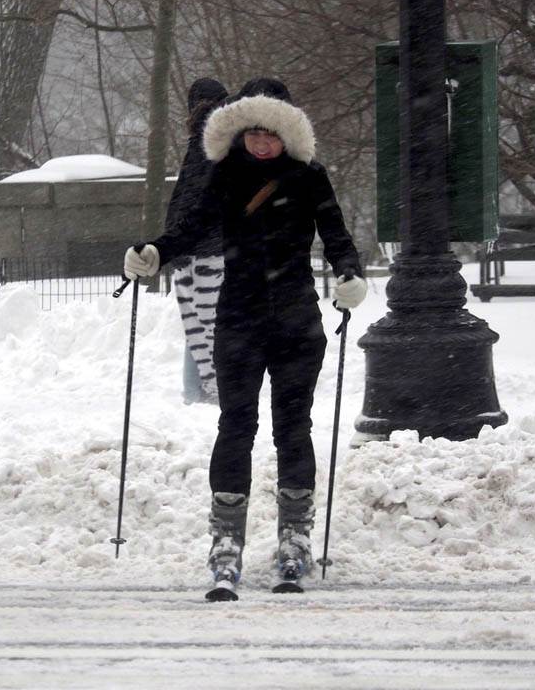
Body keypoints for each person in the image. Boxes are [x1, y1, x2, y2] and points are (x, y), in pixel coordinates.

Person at [123, 77, 367, 599]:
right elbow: (190, 228)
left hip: (297, 321)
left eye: (270, 133)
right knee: (235, 425)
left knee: (292, 428)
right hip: (238, 320)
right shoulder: (226, 176)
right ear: (241, 132)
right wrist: (155, 252)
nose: (261, 143)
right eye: (252, 132)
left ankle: (295, 538)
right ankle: (225, 541)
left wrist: (349, 275)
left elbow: (338, 237)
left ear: (286, 132)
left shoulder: (309, 178)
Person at [164, 77, 228, 404]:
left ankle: (194, 391)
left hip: (186, 250)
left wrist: (172, 241)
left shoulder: (196, 144)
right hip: (212, 248)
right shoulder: (222, 142)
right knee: (213, 323)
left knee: (195, 325)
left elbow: (184, 199)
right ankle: (204, 390)